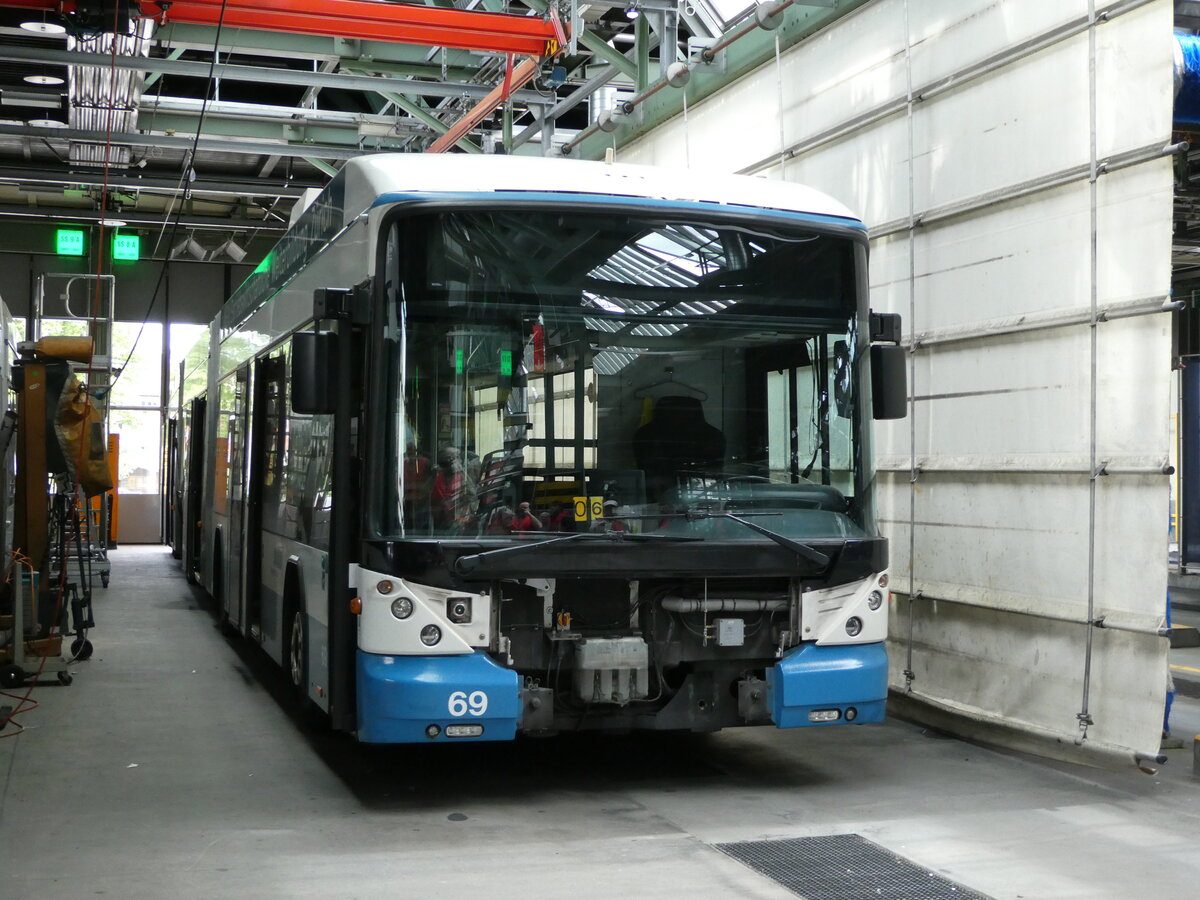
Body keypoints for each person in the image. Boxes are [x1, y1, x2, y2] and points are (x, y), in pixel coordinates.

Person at [431, 446, 473, 533]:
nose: (453, 461)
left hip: (459, 522)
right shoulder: (438, 476)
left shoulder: (461, 476)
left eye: (456, 458)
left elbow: (472, 494)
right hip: (439, 521)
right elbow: (428, 496)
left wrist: (461, 471)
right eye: (449, 458)